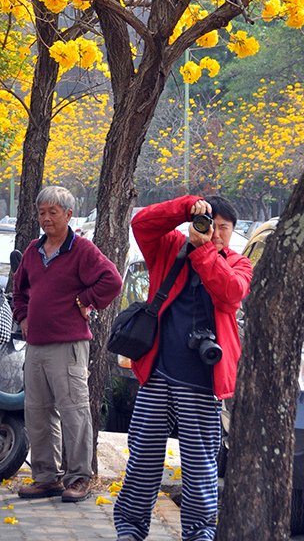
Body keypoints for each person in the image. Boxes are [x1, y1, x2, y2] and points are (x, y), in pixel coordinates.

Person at [113, 194, 252, 541]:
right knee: (143, 455)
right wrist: (186, 206)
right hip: (158, 370)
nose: (215, 233)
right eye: (210, 225)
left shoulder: (238, 263)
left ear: (233, 232)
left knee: (200, 465)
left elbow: (231, 294)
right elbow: (141, 224)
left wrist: (205, 252)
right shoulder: (171, 247)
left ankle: (200, 532)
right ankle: (129, 529)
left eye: (223, 228)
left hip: (203, 378)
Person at [12, 185, 122, 504]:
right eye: (41, 212)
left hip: (70, 344)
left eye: (53, 212)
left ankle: (79, 478)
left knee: (74, 411)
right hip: (36, 345)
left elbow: (112, 281)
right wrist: (23, 318)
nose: (46, 218)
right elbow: (19, 291)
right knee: (37, 412)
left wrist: (84, 299)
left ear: (68, 215)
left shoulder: (82, 250)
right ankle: (46, 478)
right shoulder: (34, 250)